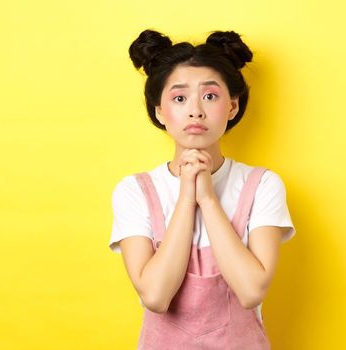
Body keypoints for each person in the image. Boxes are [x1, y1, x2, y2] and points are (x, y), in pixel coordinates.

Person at [108, 29, 296, 349]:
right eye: (179, 98)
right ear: (159, 111)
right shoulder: (135, 191)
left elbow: (250, 292)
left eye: (210, 96)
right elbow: (155, 296)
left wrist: (207, 198)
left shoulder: (262, 184)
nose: (196, 110)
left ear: (233, 107)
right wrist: (186, 198)